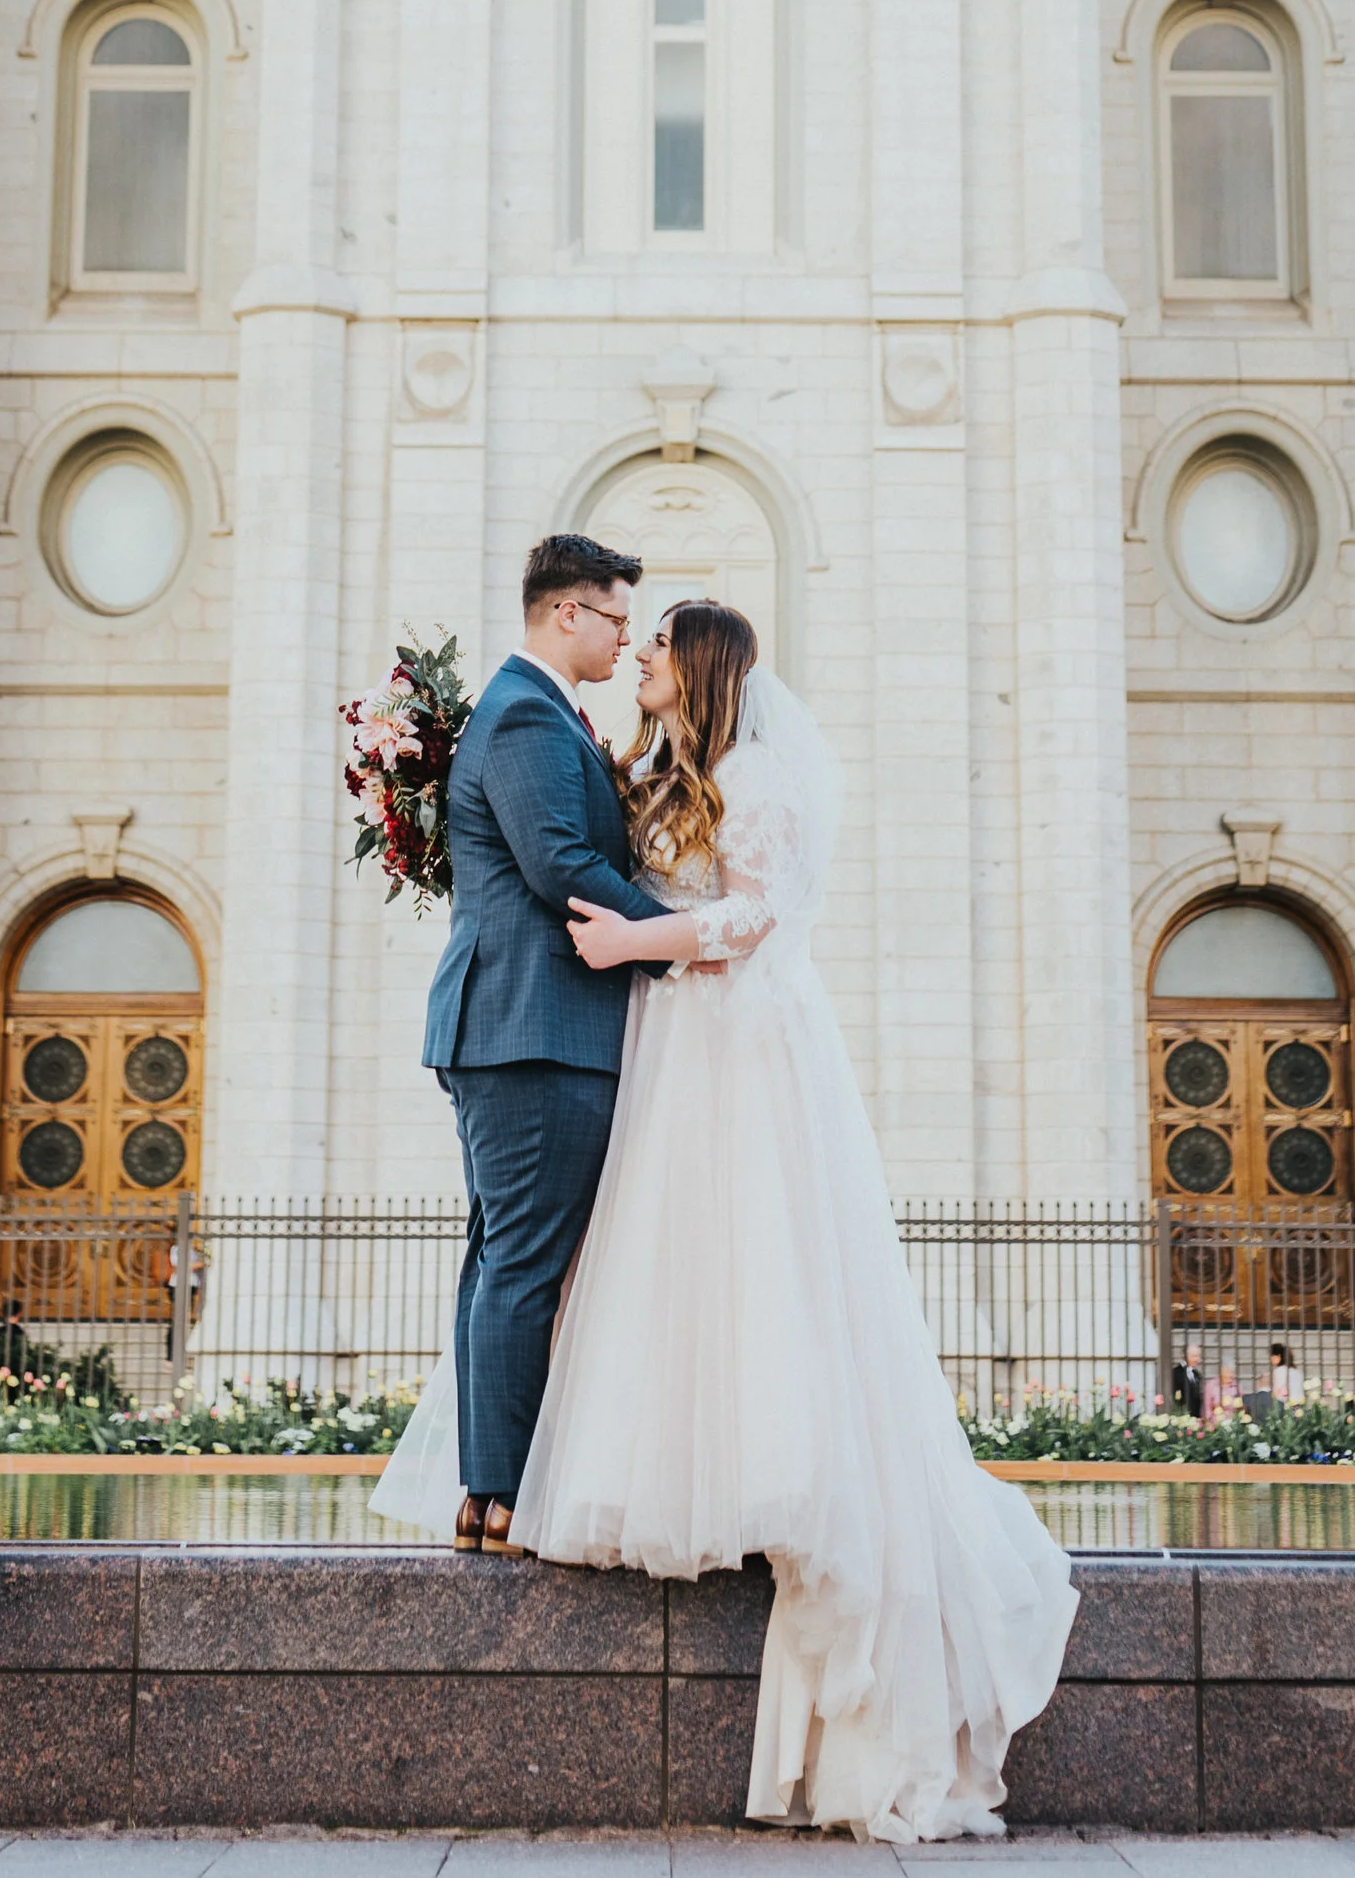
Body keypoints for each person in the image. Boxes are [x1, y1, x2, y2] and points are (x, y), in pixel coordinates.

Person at [380, 598, 1077, 1840]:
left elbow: (756, 914)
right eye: (628, 636)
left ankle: (764, 1481)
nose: (639, 656)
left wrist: (638, 935)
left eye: (655, 647)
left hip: (735, 1046)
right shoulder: (653, 769)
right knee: (655, 1266)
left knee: (746, 1259)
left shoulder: (755, 776)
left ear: (695, 668)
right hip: (662, 1041)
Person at [415, 532, 675, 1559]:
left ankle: (489, 1495)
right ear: (567, 613)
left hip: (519, 1029)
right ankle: (504, 1494)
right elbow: (556, 862)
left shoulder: (539, 711)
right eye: (615, 619)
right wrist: (678, 938)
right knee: (521, 1265)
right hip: (536, 1031)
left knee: (500, 1262)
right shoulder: (525, 712)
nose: (623, 640)